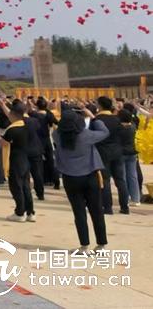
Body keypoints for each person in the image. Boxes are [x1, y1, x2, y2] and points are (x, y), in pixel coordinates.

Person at [54, 105, 110, 255]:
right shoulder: (86, 135)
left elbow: (60, 131)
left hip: (70, 178)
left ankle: (84, 245)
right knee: (97, 210)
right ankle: (101, 245)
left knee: (79, 213)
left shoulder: (56, 136)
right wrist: (93, 117)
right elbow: (105, 132)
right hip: (90, 176)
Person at [0, 99, 35, 223]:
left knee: (16, 187)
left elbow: (3, 143)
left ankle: (20, 212)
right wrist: (3, 104)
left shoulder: (12, 129)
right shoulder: (27, 124)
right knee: (26, 186)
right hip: (25, 159)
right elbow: (11, 113)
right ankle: (30, 212)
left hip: (15, 160)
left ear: (13, 115)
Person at [94, 97, 130, 215]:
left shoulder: (97, 120)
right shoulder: (116, 119)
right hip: (117, 151)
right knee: (120, 180)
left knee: (105, 180)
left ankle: (108, 207)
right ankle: (125, 207)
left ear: (99, 105)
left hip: (103, 152)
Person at [116, 109, 141, 206]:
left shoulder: (119, 128)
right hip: (132, 152)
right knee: (133, 176)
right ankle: (136, 198)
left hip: (122, 153)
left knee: (123, 177)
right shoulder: (133, 126)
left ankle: (125, 198)